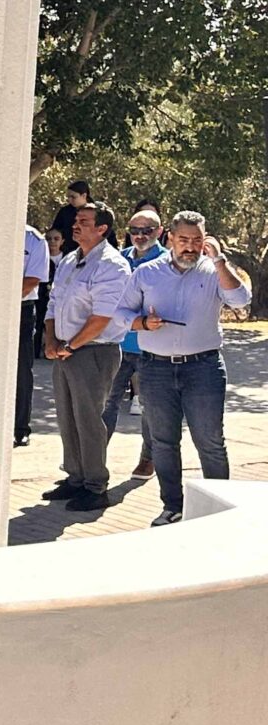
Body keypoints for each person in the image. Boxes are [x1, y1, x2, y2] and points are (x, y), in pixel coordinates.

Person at [115, 211, 252, 527]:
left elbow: (240, 300)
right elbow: (120, 313)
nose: (190, 247)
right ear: (170, 239)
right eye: (183, 239)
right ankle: (172, 507)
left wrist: (219, 261)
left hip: (203, 368)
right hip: (155, 369)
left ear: (206, 240)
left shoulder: (213, 271)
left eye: (197, 240)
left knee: (210, 442)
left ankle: (219, 511)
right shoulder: (147, 273)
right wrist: (142, 323)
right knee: (163, 442)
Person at [42, 200, 132, 512]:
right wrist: (51, 340)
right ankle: (75, 477)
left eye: (84, 221)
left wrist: (71, 346)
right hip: (65, 350)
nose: (75, 225)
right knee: (67, 417)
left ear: (102, 228)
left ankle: (96, 486)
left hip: (93, 352)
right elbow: (54, 303)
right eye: (76, 220)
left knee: (89, 419)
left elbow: (101, 318)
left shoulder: (112, 265)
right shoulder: (70, 259)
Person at [101, 209, 167, 477]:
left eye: (146, 230)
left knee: (149, 408)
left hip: (149, 348)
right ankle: (94, 457)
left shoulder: (166, 262)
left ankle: (147, 460)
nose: (139, 236)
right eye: (134, 230)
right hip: (117, 343)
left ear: (159, 231)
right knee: (106, 403)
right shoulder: (121, 259)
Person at [15, 224, 48, 447]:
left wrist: (3, 297)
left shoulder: (34, 240)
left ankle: (20, 428)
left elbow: (32, 280)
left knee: (21, 369)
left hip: (22, 308)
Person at [48, 180, 92, 247]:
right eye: (68, 197)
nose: (69, 200)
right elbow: (55, 231)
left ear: (84, 195)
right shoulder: (64, 212)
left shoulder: (97, 212)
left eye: (73, 197)